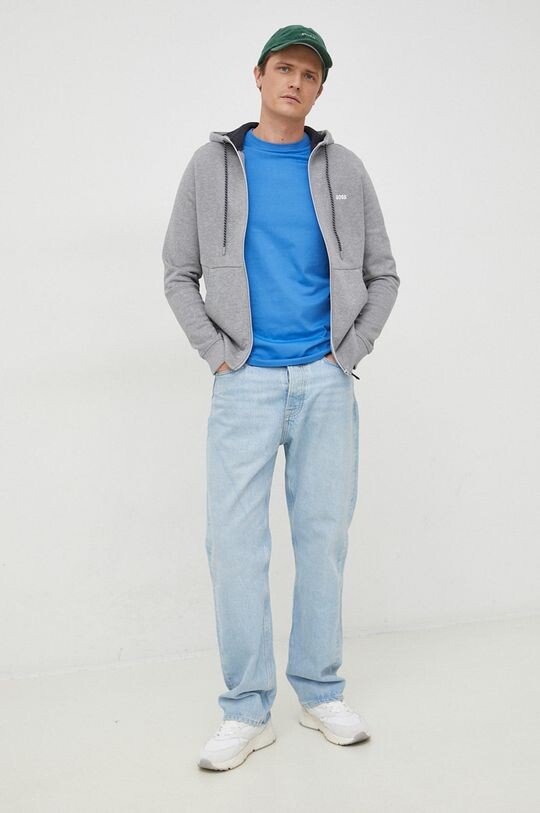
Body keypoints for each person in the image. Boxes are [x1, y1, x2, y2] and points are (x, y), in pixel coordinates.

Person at [162, 24, 400, 771]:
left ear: (320, 89)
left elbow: (384, 274)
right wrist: (218, 353)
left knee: (322, 540)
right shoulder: (212, 166)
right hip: (245, 382)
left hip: (326, 382)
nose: (296, 82)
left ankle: (320, 690)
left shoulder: (344, 168)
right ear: (259, 76)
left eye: (310, 74)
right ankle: (245, 709)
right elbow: (178, 272)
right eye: (285, 68)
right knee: (234, 547)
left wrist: (348, 352)